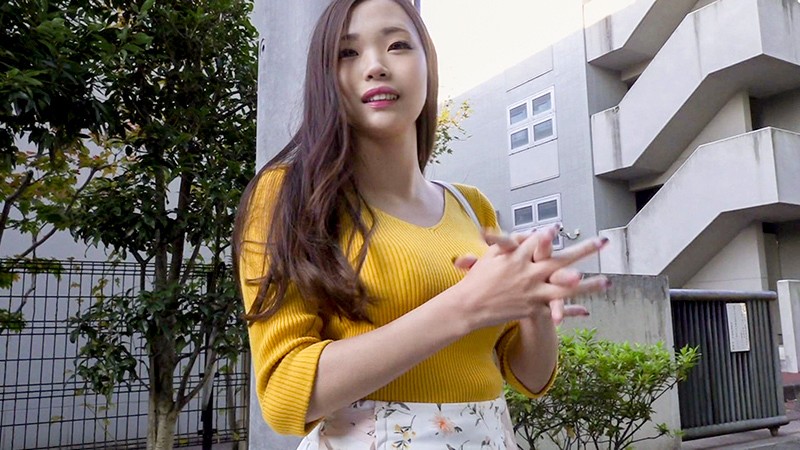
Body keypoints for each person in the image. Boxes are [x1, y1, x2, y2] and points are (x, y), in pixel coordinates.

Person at [233, 0, 610, 448]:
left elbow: (530, 378)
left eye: (397, 45)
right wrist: (465, 306)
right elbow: (283, 393)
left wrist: (534, 303)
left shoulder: (472, 207)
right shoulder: (289, 194)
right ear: (325, 78)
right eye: (348, 52)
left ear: (428, 64)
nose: (376, 66)